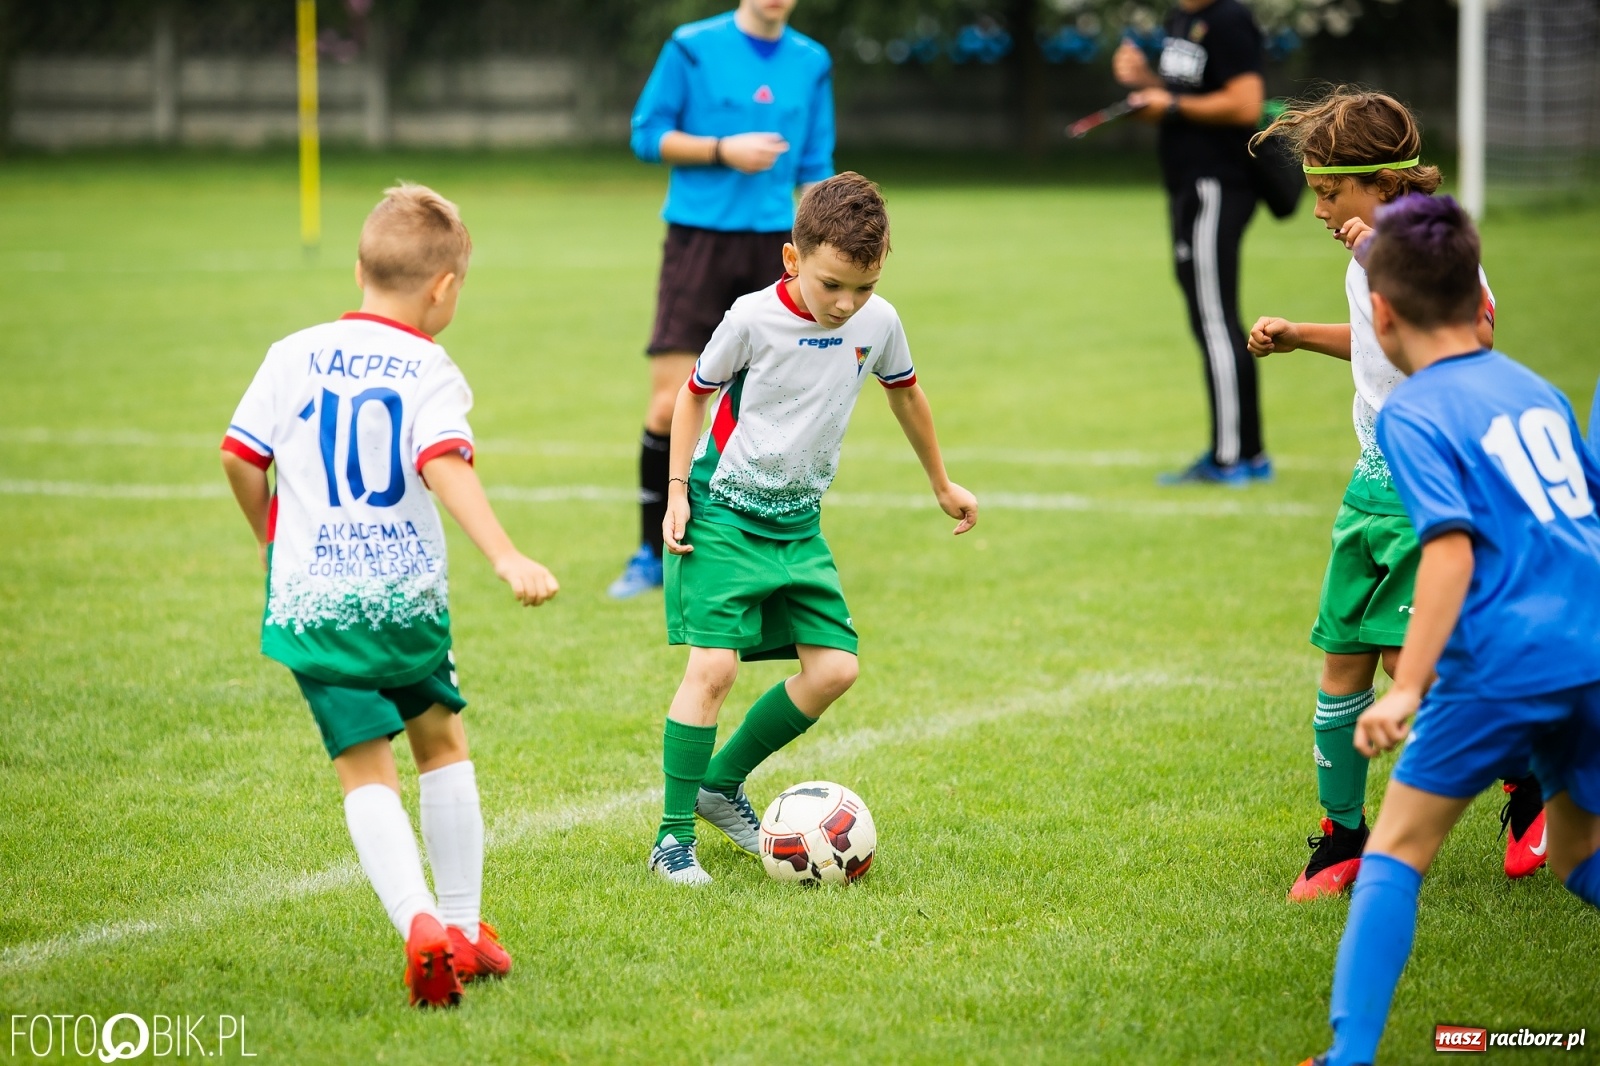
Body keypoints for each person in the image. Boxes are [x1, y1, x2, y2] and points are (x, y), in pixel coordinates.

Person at [219, 184, 560, 1007]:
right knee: (441, 744)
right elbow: (443, 461)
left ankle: (418, 925)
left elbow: (238, 457)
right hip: (403, 599)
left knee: (364, 770)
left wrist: (273, 537)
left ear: (360, 267)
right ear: (443, 288)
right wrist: (506, 553)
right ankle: (465, 927)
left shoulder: (290, 351)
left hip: (315, 602)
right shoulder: (429, 367)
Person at [1299, 194, 1600, 1066]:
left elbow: (1452, 554)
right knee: (1579, 857)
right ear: (1485, 304)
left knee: (1395, 851)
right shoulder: (1536, 390)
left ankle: (1348, 1057)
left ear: (1379, 316)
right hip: (1591, 647)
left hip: (1509, 660)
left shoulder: (1413, 413)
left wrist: (1407, 688)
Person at [1246, 90, 1545, 899]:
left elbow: (1470, 338)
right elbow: (1385, 342)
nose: (1318, 209)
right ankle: (1342, 836)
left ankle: (1533, 783)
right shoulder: (1363, 254)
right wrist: (1302, 334)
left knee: (1434, 671)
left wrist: (1382, 255)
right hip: (1369, 490)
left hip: (1431, 488)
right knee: (1341, 663)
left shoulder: (1435, 248)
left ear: (1380, 185)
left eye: (1328, 191)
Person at [646, 173, 978, 884]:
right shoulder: (750, 319)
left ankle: (718, 783)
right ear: (792, 260)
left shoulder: (877, 321)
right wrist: (676, 493)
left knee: (835, 669)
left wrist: (941, 483)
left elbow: (908, 394)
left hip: (799, 523)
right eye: (833, 285)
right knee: (714, 667)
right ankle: (672, 839)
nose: (847, 304)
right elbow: (691, 396)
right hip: (724, 510)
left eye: (863, 286)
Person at [613, 0, 836, 598]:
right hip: (698, 241)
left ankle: (757, 549)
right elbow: (645, 135)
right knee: (670, 401)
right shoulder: (691, 45)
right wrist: (721, 149)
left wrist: (818, 252)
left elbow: (815, 167)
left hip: (776, 246)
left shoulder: (812, 61)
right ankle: (648, 551)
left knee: (771, 404)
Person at [1112, 0, 1272, 485]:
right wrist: (1146, 86)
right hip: (1186, 186)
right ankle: (1250, 453)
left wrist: (1171, 105)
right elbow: (1183, 96)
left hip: (1216, 186)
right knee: (1212, 321)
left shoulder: (1229, 19)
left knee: (1216, 321)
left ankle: (1230, 460)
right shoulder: (1180, 18)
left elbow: (1246, 103)